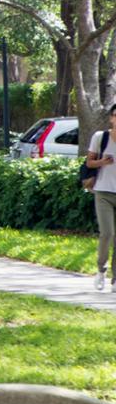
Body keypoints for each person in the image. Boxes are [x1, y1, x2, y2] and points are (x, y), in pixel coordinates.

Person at [87, 104, 116, 291]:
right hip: (103, 192)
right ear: (111, 118)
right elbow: (89, 163)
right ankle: (101, 269)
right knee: (107, 233)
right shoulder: (100, 137)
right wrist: (102, 162)